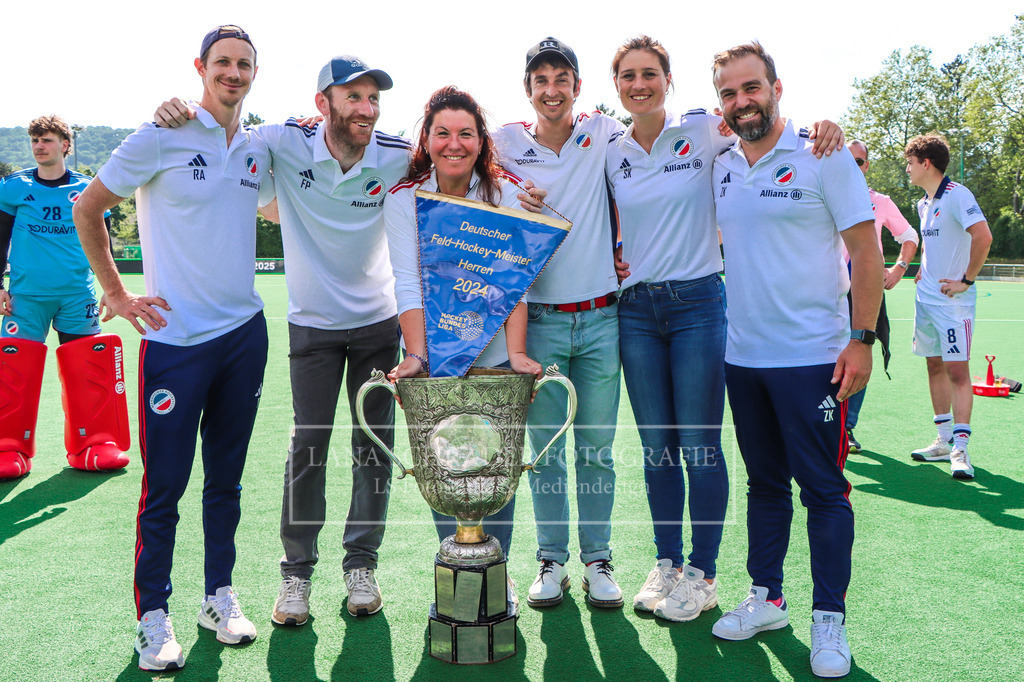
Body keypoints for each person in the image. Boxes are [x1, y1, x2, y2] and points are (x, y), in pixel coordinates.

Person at [151, 55, 412, 624]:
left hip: (377, 325)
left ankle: (360, 566)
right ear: (324, 105)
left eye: (373, 99)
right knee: (307, 450)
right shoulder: (282, 140)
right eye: (354, 98)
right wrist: (179, 111)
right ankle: (296, 576)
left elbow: (457, 165)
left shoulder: (397, 153)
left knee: (373, 448)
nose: (366, 109)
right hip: (312, 327)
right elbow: (224, 126)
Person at [72, 25, 272, 672]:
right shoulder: (159, 134)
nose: (233, 73)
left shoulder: (258, 148)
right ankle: (152, 618)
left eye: (244, 64)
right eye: (223, 63)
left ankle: (218, 598)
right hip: (175, 343)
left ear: (253, 73)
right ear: (201, 67)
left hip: (244, 336)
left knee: (227, 482)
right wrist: (119, 294)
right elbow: (88, 206)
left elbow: (286, 202)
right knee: (164, 488)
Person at [709, 42, 883, 678]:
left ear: (776, 88)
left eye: (750, 88)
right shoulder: (720, 158)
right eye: (729, 93)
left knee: (825, 490)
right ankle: (767, 597)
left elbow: (866, 251)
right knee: (763, 483)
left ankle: (830, 619)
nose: (740, 102)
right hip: (744, 358)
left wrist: (861, 338)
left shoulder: (824, 154)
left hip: (815, 358)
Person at [384, 87, 544, 575]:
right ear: (426, 140)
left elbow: (514, 279)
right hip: (434, 355)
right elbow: (408, 281)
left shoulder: (509, 192)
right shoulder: (404, 198)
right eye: (442, 133)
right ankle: (456, 569)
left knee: (496, 461)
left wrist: (516, 355)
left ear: (482, 141)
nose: (455, 144)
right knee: (446, 461)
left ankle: (500, 574)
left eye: (466, 134)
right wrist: (417, 356)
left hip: (495, 352)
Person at [491, 37, 625, 609]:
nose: (552, 89)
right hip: (539, 322)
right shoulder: (502, 143)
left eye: (562, 78)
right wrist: (510, 196)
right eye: (541, 80)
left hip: (600, 317)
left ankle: (598, 559)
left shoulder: (603, 133)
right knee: (544, 450)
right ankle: (551, 561)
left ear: (577, 86)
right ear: (528, 90)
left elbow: (662, 133)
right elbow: (439, 153)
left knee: (596, 448)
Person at [0, 115, 129, 479]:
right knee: (12, 371)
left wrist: (111, 288)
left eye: (47, 140)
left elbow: (103, 245)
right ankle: (8, 447)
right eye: (35, 140)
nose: (40, 145)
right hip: (25, 298)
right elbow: (0, 239)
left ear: (65, 145)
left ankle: (93, 445)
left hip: (77, 296)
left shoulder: (90, 190)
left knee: (90, 369)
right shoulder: (13, 187)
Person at [905, 134, 992, 479]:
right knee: (934, 367)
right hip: (925, 299)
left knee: (957, 371)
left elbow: (983, 236)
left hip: (953, 304)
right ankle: (942, 441)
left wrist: (966, 281)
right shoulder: (923, 203)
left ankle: (961, 448)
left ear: (926, 163)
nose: (907, 169)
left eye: (910, 163)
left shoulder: (958, 195)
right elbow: (933, 243)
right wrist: (924, 270)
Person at [843, 140, 920, 453]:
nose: (854, 167)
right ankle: (822, 423)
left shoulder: (881, 202)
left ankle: (847, 428)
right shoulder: (819, 196)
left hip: (866, 293)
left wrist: (899, 269)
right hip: (823, 293)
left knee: (860, 356)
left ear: (867, 165)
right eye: (848, 162)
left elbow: (909, 237)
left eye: (859, 162)